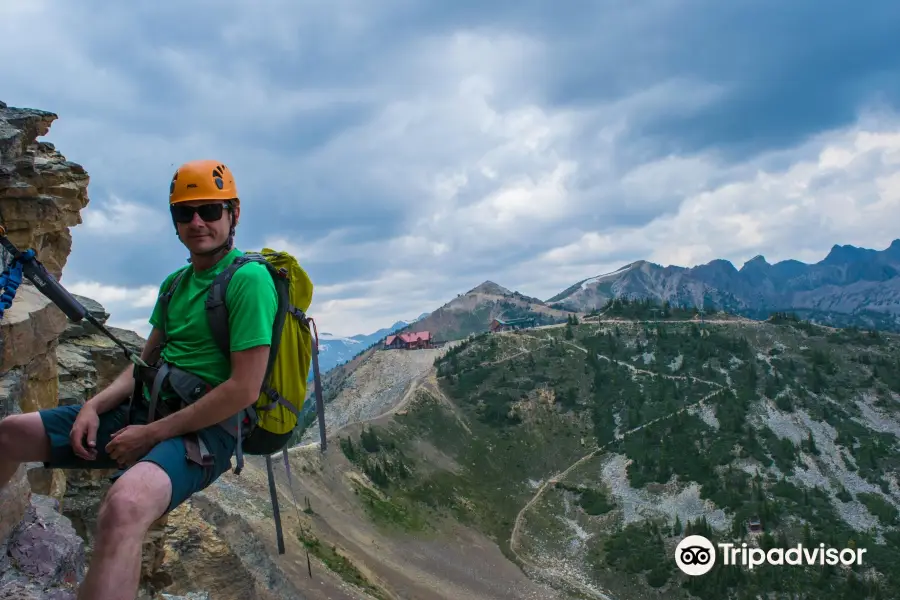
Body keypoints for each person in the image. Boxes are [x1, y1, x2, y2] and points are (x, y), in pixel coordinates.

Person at [0, 160, 278, 600]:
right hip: (149, 410)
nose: (198, 222)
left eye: (209, 209)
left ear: (234, 213)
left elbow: (244, 389)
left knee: (125, 505)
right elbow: (143, 364)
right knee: (9, 433)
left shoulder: (249, 281)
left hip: (209, 432)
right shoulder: (174, 285)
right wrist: (94, 406)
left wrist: (150, 434)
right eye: (185, 213)